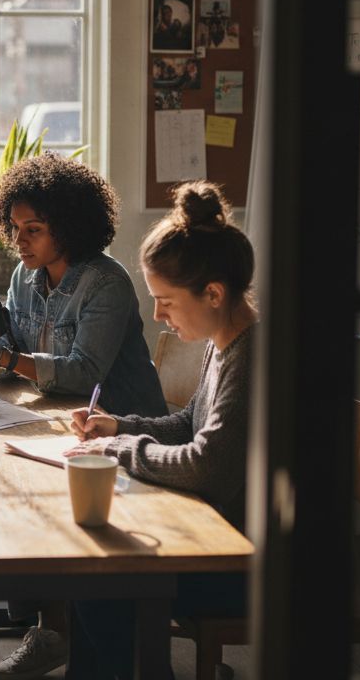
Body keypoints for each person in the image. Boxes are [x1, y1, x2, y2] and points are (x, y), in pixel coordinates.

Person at [0, 152, 167, 680]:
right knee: (7, 492)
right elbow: (22, 361)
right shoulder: (26, 278)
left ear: (69, 227)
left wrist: (3, 358)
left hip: (122, 431)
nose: (19, 240)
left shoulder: (105, 283)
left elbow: (81, 372)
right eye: (16, 227)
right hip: (59, 425)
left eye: (35, 229)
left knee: (32, 501)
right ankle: (53, 632)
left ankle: (77, 636)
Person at [62, 180, 257, 679]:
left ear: (212, 293)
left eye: (165, 301)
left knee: (98, 580)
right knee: (87, 570)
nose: (157, 316)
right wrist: (120, 423)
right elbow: (191, 422)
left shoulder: (253, 357)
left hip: (253, 563)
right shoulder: (225, 341)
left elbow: (207, 465)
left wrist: (121, 446)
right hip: (216, 533)